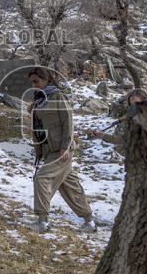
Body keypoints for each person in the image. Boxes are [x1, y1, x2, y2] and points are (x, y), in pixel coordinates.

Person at [28, 67, 96, 234]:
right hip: (49, 150)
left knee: (42, 178)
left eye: (36, 81)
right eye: (31, 83)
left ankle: (42, 221)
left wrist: (65, 147)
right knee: (69, 186)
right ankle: (89, 221)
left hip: (61, 150)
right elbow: (39, 128)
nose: (34, 85)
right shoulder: (39, 100)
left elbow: (68, 123)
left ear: (46, 80)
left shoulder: (58, 96)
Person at [91, 88, 147, 158]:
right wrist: (103, 136)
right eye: (132, 104)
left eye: (137, 103)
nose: (134, 106)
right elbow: (120, 140)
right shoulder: (126, 121)